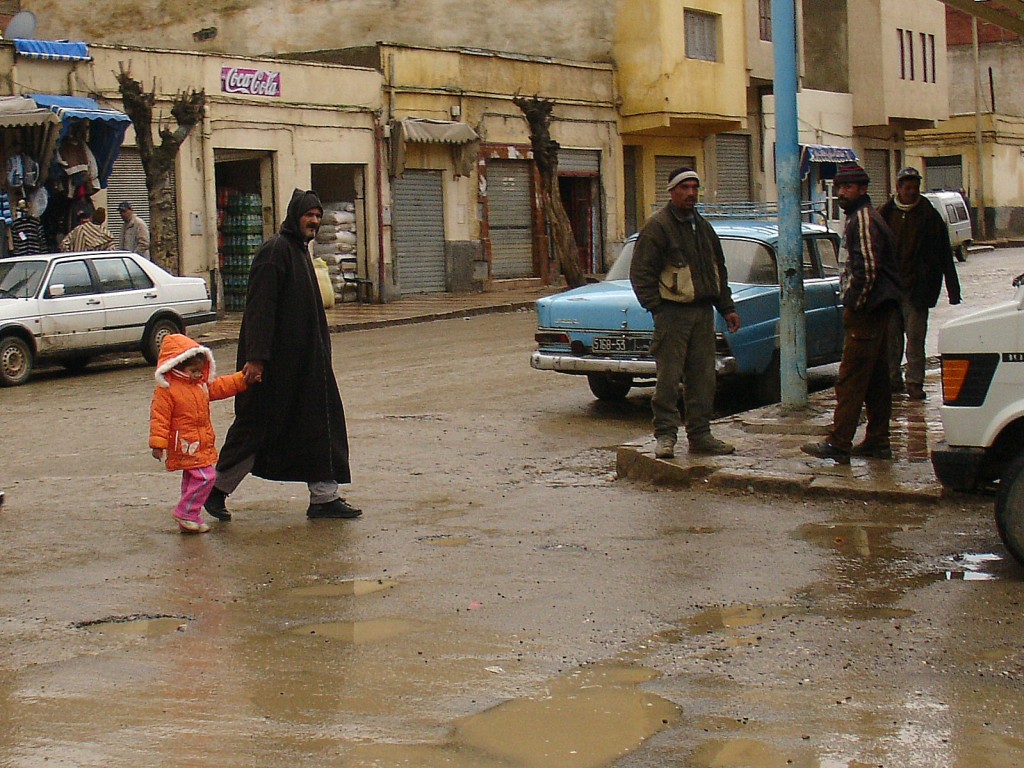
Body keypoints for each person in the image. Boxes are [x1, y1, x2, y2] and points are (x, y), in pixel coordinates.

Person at [204, 189, 361, 521]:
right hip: (276, 369)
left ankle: (324, 497)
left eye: (319, 216)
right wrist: (256, 359)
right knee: (257, 430)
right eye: (310, 215)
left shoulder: (300, 252)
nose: (315, 221)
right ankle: (213, 491)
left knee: (321, 426)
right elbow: (260, 310)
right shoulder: (274, 252)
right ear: (295, 215)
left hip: (307, 368)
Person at [629, 167, 742, 459]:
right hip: (672, 314)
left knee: (703, 378)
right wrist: (658, 308)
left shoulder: (703, 227)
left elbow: (718, 271)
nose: (691, 193)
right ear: (672, 191)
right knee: (668, 379)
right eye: (684, 187)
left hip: (703, 313)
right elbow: (641, 273)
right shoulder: (658, 227)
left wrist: (726, 307)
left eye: (695, 187)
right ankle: (666, 436)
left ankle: (701, 435)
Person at [802, 163, 902, 464]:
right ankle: (877, 441)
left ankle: (839, 441)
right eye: (840, 188)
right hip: (878, 309)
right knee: (875, 380)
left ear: (862, 189)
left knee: (850, 377)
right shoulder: (866, 218)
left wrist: (856, 303)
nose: (842, 193)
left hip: (868, 311)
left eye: (848, 188)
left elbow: (867, 269)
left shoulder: (862, 220)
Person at [878, 167, 962, 400]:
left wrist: (953, 290)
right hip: (889, 289)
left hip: (917, 289)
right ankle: (892, 380)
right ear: (898, 188)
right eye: (908, 187)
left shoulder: (929, 216)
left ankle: (914, 382)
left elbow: (945, 254)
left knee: (915, 339)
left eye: (915, 187)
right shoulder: (884, 214)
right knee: (890, 340)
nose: (912, 192)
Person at [149, 334, 247, 534]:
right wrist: (158, 443)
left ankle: (189, 517)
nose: (197, 375)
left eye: (200, 371)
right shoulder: (167, 390)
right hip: (186, 444)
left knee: (191, 479)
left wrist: (242, 380)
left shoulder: (200, 385)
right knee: (206, 477)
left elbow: (221, 386)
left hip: (199, 442)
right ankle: (185, 512)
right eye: (193, 371)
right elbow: (159, 417)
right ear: (177, 366)